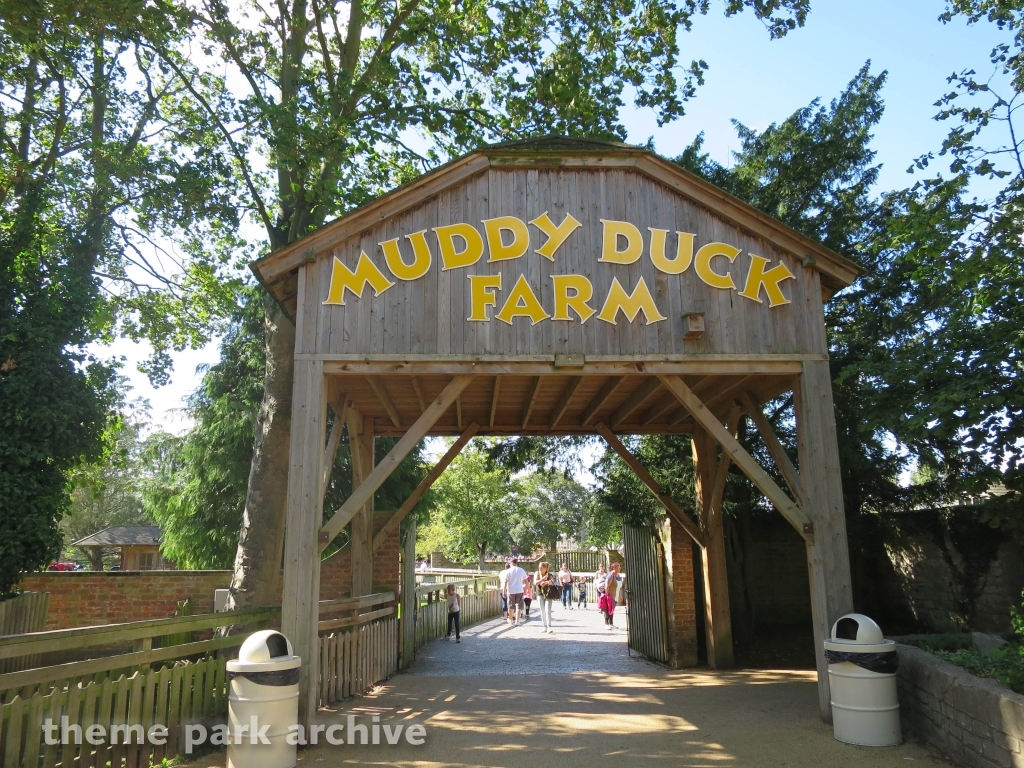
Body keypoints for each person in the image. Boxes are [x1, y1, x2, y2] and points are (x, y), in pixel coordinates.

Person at [534, 561, 557, 633]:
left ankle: (549, 626)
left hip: (548, 594)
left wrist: (546, 582)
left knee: (548, 610)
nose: (540, 568)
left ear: (546, 568)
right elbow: (535, 582)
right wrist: (542, 579)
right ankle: (544, 626)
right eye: (539, 567)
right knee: (542, 610)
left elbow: (552, 582)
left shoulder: (549, 575)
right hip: (540, 593)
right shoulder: (537, 573)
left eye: (542, 567)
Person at [505, 558, 528, 625]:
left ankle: (511, 619)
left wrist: (504, 590)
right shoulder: (521, 570)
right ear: (516, 563)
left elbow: (505, 581)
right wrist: (527, 589)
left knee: (510, 606)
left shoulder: (508, 571)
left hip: (511, 590)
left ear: (511, 563)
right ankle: (517, 621)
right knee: (519, 606)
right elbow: (525, 580)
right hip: (519, 589)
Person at [600, 562, 623, 629]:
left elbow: (619, 586)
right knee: (607, 609)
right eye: (618, 567)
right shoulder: (611, 575)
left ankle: (611, 623)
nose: (620, 568)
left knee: (612, 610)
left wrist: (620, 595)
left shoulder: (618, 576)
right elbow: (607, 584)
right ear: (614, 568)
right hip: (610, 595)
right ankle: (606, 624)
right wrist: (607, 595)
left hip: (615, 596)